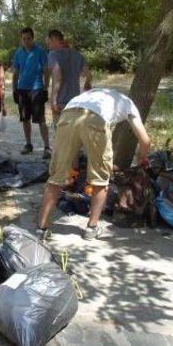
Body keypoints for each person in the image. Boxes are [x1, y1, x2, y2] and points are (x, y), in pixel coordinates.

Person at [36, 88, 151, 241]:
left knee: (56, 176)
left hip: (67, 116)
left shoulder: (90, 95)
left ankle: (41, 228)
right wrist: (141, 157)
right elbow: (145, 140)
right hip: (96, 119)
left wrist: (73, 166)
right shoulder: (128, 104)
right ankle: (92, 228)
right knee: (100, 178)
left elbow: (75, 142)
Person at [12, 27, 51, 159]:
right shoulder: (18, 53)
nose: (26, 41)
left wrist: (45, 88)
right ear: (21, 39)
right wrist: (14, 89)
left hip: (37, 89)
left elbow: (46, 71)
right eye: (24, 39)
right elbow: (16, 73)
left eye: (29, 38)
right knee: (25, 119)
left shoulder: (40, 52)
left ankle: (47, 147)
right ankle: (28, 144)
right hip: (22, 89)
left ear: (32, 38)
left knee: (41, 120)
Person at [46, 29, 92, 125]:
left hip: (60, 103)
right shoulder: (78, 55)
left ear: (55, 40)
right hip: (75, 102)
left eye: (49, 43)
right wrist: (87, 83)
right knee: (72, 135)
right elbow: (88, 74)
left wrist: (53, 100)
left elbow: (58, 74)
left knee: (60, 134)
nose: (49, 46)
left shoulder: (53, 54)